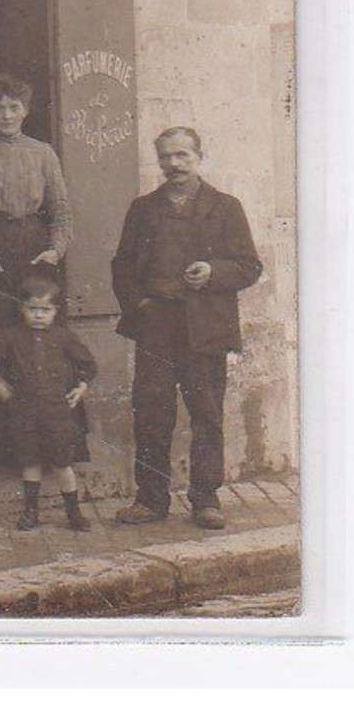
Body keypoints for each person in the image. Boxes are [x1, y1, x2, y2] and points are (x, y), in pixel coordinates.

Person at [110, 127, 261, 530]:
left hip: (205, 328)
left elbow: (249, 266)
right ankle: (151, 499)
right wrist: (140, 306)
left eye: (182, 156)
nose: (174, 164)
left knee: (206, 415)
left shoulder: (226, 207)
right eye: (166, 157)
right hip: (156, 325)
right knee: (151, 413)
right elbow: (122, 265)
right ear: (158, 161)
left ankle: (205, 499)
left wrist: (214, 271)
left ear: (199, 156)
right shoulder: (143, 208)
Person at [0, 73, 74, 464]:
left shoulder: (42, 152)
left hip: (33, 254)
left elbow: (61, 211)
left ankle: (40, 447)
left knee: (36, 342)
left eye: (13, 107)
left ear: (25, 110)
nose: (6, 115)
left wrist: (54, 251)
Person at [0, 275, 96, 532]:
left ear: (56, 311)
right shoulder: (10, 337)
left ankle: (73, 512)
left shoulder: (64, 338)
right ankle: (31, 512)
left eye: (46, 310)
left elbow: (88, 364)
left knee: (63, 463)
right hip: (24, 410)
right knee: (30, 462)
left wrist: (81, 388)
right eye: (33, 309)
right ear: (22, 308)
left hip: (57, 412)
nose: (39, 316)